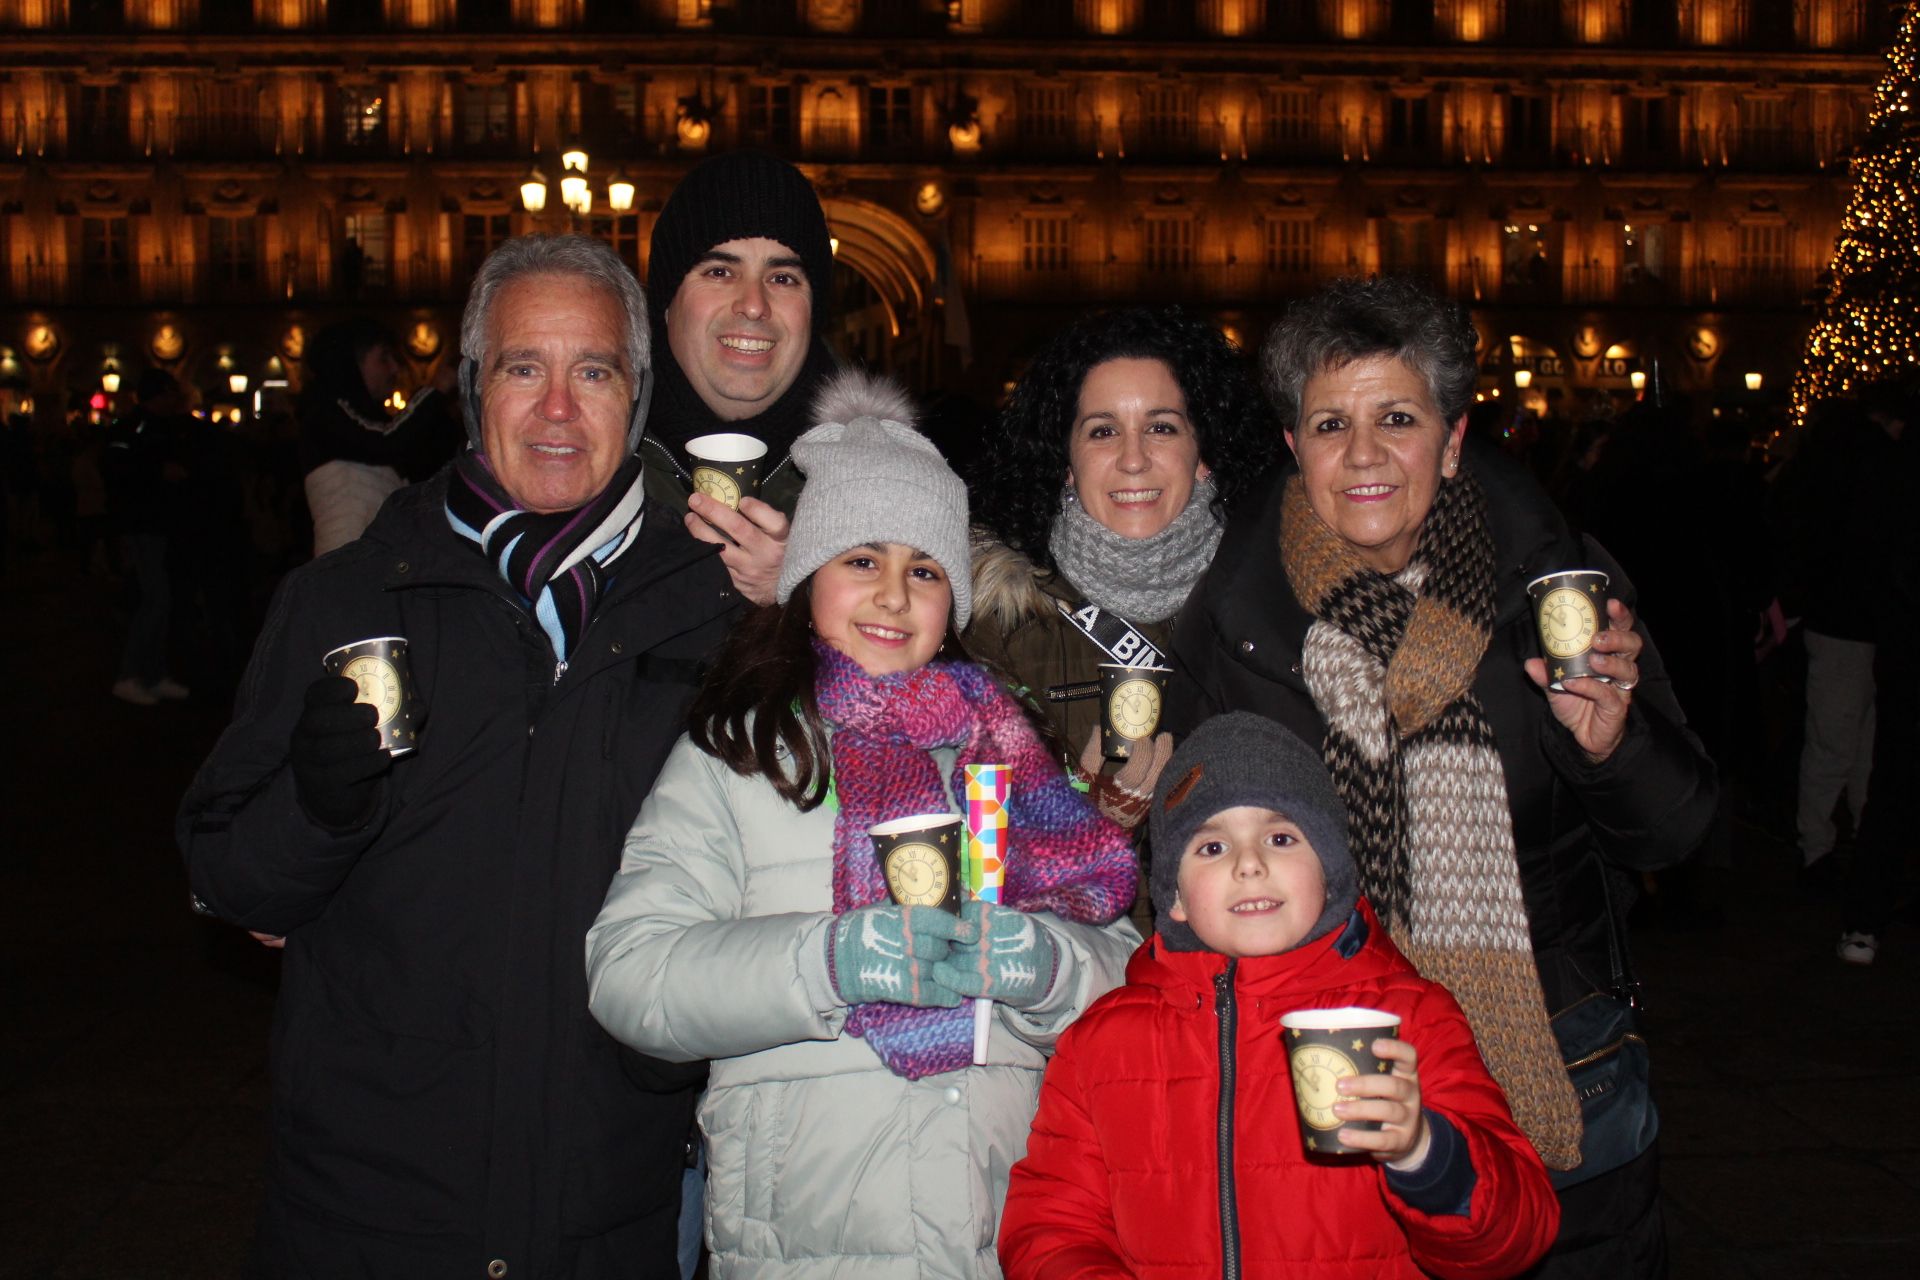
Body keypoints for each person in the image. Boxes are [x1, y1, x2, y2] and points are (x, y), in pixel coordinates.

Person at [178, 235, 738, 1278]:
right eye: (526, 368)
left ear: (640, 395)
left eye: (595, 371)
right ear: (477, 387)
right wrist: (318, 802)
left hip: (606, 1204)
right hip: (373, 1211)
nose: (559, 409)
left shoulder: (710, 614)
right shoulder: (350, 595)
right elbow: (224, 872)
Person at [1169, 277, 1717, 1278]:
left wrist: (1613, 743)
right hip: (1342, 1074)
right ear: (1295, 446)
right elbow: (1189, 875)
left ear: (1453, 439)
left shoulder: (1555, 587)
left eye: (1398, 417)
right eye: (1332, 422)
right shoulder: (1236, 618)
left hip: (1567, 1063)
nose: (1366, 453)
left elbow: (1674, 833)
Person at [585, 371, 1141, 1279]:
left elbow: (1124, 974)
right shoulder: (742, 758)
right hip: (803, 1236)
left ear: (952, 602)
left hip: (1007, 1230)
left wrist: (1048, 970)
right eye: (861, 560)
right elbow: (629, 971)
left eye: (923, 570)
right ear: (806, 581)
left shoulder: (1004, 756)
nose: (892, 594)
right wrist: (825, 961)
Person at [999, 712, 1560, 1278]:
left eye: (1281, 837)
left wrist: (1424, 1152)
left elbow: (1517, 1235)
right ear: (1174, 898)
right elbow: (1050, 1225)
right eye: (1212, 848)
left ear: (1331, 870)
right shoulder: (1101, 1044)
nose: (1250, 864)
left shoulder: (1411, 1018)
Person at [967, 306, 1280, 833]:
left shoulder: (1271, 603)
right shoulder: (1000, 623)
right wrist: (1084, 826)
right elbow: (984, 838)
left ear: (1203, 453)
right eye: (1102, 431)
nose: (1133, 459)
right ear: (1067, 463)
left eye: (1161, 427)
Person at [641, 149, 843, 606]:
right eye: (719, 271)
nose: (753, 304)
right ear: (667, 304)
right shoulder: (588, 463)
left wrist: (806, 599)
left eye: (784, 278)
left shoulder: (884, 484)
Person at [298, 317, 456, 557]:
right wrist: (433, 391)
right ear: (352, 364)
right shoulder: (324, 409)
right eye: (384, 358)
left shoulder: (361, 416)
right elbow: (386, 441)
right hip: (346, 562)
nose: (394, 369)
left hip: (374, 559)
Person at [103, 369, 193, 705]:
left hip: (162, 526)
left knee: (162, 601)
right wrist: (158, 473)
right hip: (144, 526)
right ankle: (129, 674)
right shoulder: (133, 427)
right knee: (153, 600)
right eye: (171, 393)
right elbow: (116, 468)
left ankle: (153, 673)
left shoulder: (164, 428)